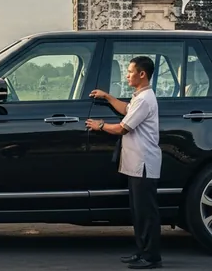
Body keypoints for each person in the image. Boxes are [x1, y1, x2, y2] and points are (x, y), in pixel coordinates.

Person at [86, 56, 163, 269]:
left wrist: (100, 125)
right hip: (136, 164)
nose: (127, 75)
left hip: (144, 164)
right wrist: (108, 97)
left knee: (146, 213)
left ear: (142, 74)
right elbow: (126, 109)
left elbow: (122, 128)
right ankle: (142, 252)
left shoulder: (146, 99)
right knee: (138, 212)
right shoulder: (140, 98)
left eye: (130, 72)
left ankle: (151, 256)